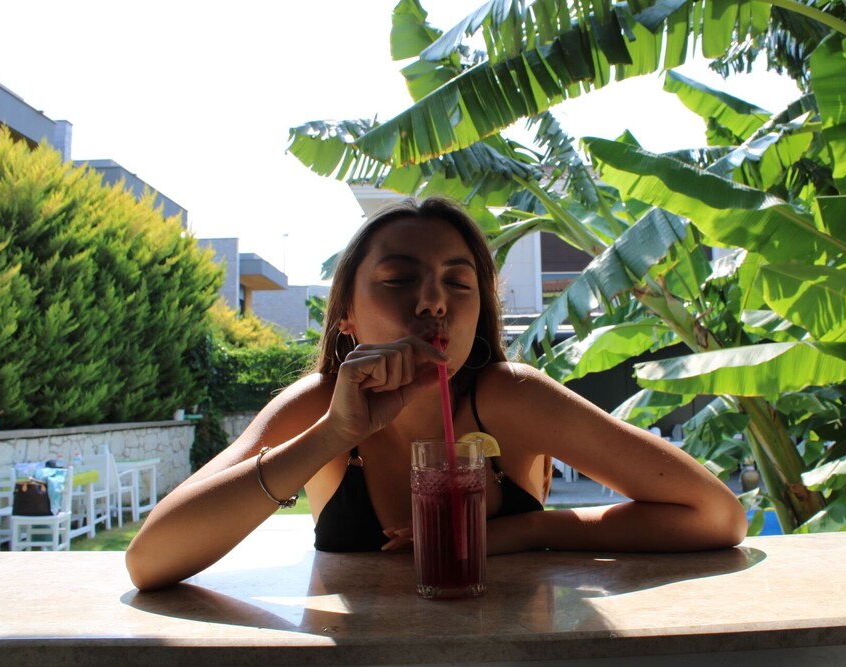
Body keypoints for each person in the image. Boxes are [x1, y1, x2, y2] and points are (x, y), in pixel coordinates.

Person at [126, 197, 747, 591]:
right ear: (345, 314)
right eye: (398, 279)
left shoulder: (510, 397)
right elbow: (150, 560)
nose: (432, 302)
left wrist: (520, 533)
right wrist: (334, 434)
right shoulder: (318, 404)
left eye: (459, 283)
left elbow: (716, 515)